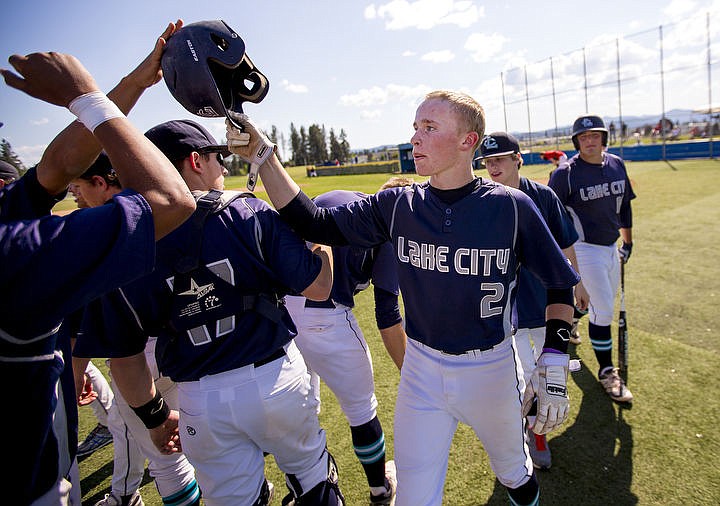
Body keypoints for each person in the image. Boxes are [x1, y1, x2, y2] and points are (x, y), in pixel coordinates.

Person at [228, 90, 581, 506]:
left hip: (491, 368)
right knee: (414, 494)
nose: (415, 138)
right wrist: (265, 156)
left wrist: (555, 355)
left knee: (515, 475)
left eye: (429, 128)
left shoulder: (511, 206)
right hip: (422, 369)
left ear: (468, 141)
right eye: (416, 127)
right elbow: (315, 221)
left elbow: (561, 283)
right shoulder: (399, 203)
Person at [78, 119, 344, 505]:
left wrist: (155, 417)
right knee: (314, 482)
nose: (223, 167)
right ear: (194, 161)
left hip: (200, 401)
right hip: (275, 380)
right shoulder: (246, 212)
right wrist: (320, 234)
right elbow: (319, 286)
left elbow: (125, 359)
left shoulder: (125, 245)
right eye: (216, 157)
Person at [0, 23, 196, 505]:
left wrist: (133, 84)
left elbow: (57, 165)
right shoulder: (16, 255)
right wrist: (84, 97)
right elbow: (171, 201)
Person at [69, 153, 201, 506]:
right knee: (205, 441)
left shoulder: (97, 226)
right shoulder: (166, 205)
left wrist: (78, 368)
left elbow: (85, 310)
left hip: (137, 359)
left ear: (101, 182)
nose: (76, 197)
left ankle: (126, 496)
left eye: (79, 188)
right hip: (189, 346)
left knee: (167, 457)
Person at [284, 176, 413, 506]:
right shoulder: (389, 224)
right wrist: (412, 375)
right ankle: (379, 489)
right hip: (327, 316)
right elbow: (387, 314)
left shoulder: (332, 196)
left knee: (302, 409)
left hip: (282, 314)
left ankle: (305, 488)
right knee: (361, 409)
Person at [477, 131, 589, 470]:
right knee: (515, 379)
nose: (493, 166)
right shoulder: (483, 200)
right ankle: (527, 436)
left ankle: (536, 433)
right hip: (504, 309)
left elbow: (565, 244)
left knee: (545, 374)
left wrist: (578, 282)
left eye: (500, 159)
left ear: (518, 159)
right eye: (488, 161)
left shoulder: (543, 196)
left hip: (544, 304)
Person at [548, 114, 635, 403]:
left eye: (594, 136)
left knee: (593, 302)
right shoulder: (566, 173)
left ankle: (572, 321)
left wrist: (628, 240)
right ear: (576, 141)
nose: (589, 141)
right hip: (583, 248)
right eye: (583, 137)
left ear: (603, 139)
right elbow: (552, 214)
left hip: (611, 247)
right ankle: (607, 371)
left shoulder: (616, 164)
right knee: (604, 310)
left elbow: (625, 208)